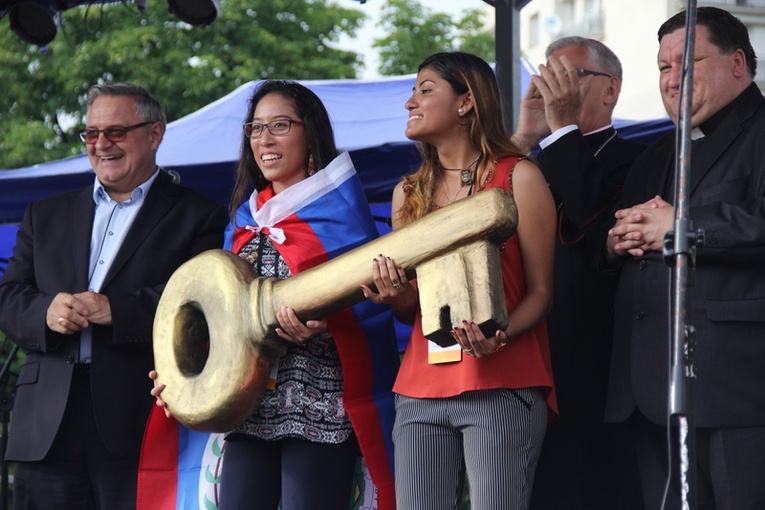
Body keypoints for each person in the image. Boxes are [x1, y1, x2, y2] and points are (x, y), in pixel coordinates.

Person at [151, 80, 399, 510]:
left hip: (318, 414)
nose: (264, 139)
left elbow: (370, 315)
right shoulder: (244, 222)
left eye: (280, 125)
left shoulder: (340, 217)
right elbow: (220, 321)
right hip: (249, 416)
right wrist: (186, 375)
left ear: (311, 135)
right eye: (255, 128)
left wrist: (328, 324)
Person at [0, 83, 229, 509]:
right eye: (91, 133)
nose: (101, 144)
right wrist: (44, 312)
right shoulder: (45, 214)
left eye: (117, 132)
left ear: (155, 134)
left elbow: (203, 306)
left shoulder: (200, 215)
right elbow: (8, 296)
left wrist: (117, 310)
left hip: (136, 419)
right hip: (45, 422)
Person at [362, 52, 557, 509]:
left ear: (466, 102)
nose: (410, 101)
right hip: (418, 389)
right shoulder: (408, 193)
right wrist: (396, 297)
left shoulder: (519, 177)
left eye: (425, 89)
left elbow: (543, 293)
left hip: (502, 382)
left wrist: (500, 335)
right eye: (413, 91)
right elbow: (416, 307)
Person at [603, 7, 765, 509]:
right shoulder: (655, 154)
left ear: (738, 62)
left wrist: (682, 226)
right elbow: (620, 243)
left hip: (737, 386)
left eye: (687, 63)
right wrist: (618, 242)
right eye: (662, 67)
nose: (672, 80)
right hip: (651, 389)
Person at [511, 37, 645, 509]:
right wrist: (526, 135)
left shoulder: (638, 159)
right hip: (522, 356)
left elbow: (596, 226)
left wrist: (562, 130)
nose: (552, 89)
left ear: (610, 90)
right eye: (546, 77)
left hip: (593, 362)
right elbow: (478, 217)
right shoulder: (530, 159)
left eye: (566, 77)